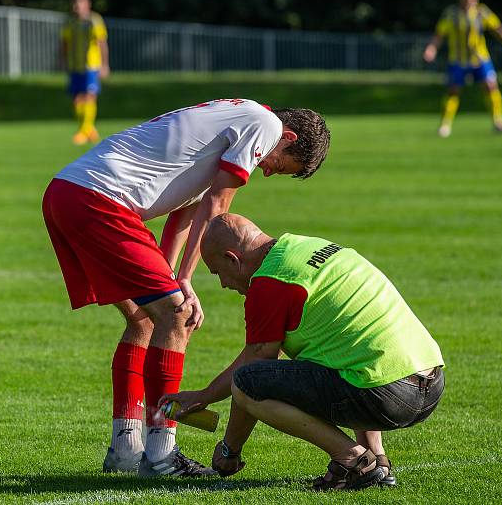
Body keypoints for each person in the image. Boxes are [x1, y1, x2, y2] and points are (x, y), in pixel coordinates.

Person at [42, 100, 330, 477]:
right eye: (279, 164)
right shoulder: (264, 124)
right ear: (286, 136)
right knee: (177, 316)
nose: (268, 172)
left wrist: (170, 273)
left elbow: (185, 213)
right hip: (99, 201)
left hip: (70, 193)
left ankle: (126, 449)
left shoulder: (230, 126)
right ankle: (161, 454)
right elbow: (218, 206)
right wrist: (184, 282)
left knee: (148, 320)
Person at [161, 213, 445, 490]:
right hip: (429, 381)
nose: (223, 283)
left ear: (232, 259)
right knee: (346, 354)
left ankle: (354, 460)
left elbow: (252, 372)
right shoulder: (307, 246)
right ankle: (378, 461)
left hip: (387, 394)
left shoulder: (270, 281)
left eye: (218, 272)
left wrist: (228, 447)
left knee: (247, 383)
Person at [423, 0, 502, 137]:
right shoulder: (451, 14)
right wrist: (431, 48)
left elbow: (498, 29)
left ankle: (498, 121)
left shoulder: (482, 12)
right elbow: (439, 34)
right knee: (453, 91)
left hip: (480, 58)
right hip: (458, 60)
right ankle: (445, 125)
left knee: (491, 86)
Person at [60, 0, 110, 146]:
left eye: (79, 4)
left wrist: (104, 64)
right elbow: (65, 43)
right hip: (75, 65)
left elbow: (102, 42)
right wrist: (62, 60)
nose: (76, 7)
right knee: (77, 98)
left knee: (89, 96)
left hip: (91, 65)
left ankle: (83, 130)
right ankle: (89, 129)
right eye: (74, 4)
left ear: (87, 5)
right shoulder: (70, 22)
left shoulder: (94, 21)